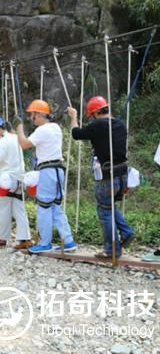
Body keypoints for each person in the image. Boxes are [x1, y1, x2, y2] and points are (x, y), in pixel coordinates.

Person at [67, 96, 134, 259]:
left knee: (104, 210)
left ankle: (112, 250)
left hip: (107, 176)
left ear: (96, 112)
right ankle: (126, 232)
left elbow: (76, 134)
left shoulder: (97, 125)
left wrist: (73, 117)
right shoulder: (120, 125)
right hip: (122, 174)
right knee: (109, 206)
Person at [16, 99, 77, 253]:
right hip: (58, 170)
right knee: (56, 207)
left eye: (32, 115)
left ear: (38, 115)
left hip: (48, 171)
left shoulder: (42, 130)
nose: (31, 118)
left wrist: (19, 128)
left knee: (44, 206)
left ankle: (45, 243)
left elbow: (23, 144)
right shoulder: (56, 128)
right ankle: (68, 241)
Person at [0, 115, 32, 249]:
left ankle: (2, 237)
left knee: (3, 209)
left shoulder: (3, 141)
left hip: (6, 180)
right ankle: (25, 239)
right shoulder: (15, 138)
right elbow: (5, 149)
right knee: (19, 210)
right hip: (19, 180)